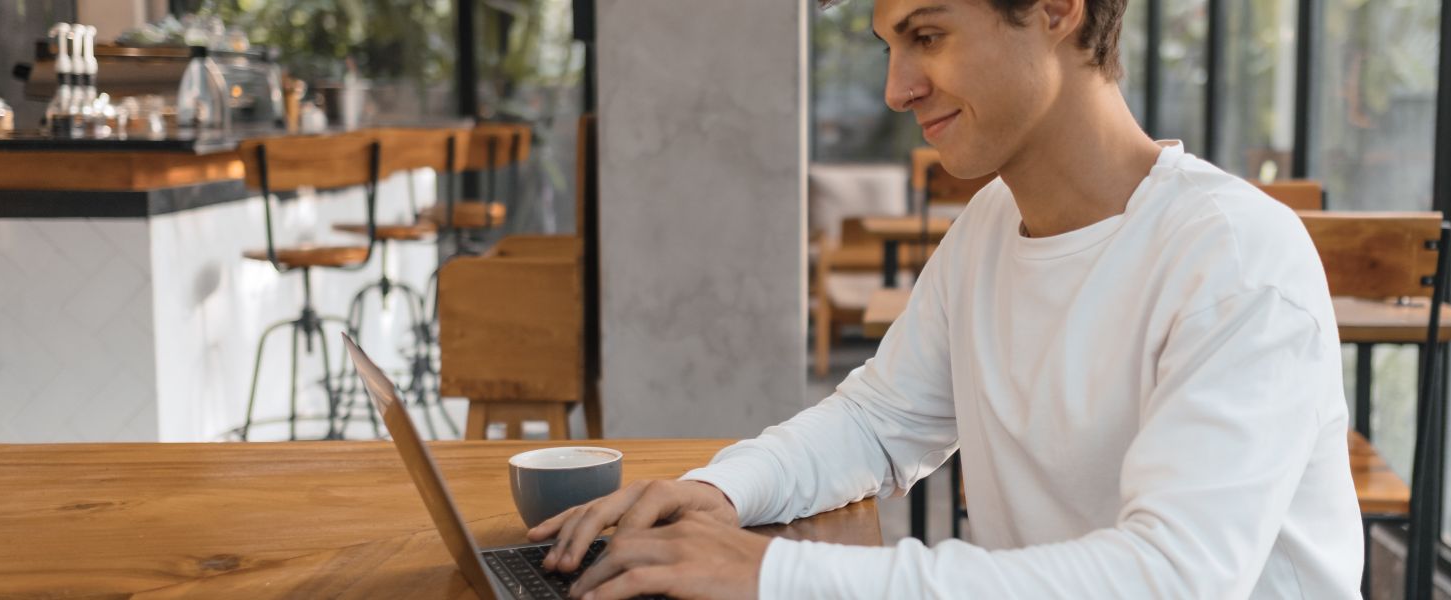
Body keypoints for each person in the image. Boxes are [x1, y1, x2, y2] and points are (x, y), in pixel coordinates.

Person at [530, 0, 1363, 597]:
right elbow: (879, 422)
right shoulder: (993, 225)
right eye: (890, 44)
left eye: (926, 35)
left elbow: (1174, 578)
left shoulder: (1236, 256)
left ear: (1057, 11)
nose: (897, 88)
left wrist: (774, 574)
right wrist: (719, 492)